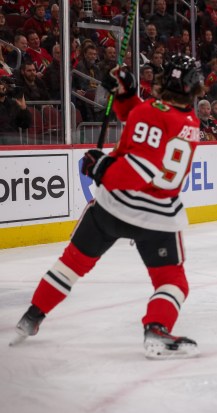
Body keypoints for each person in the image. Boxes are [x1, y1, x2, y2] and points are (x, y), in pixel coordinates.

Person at [11, 55, 205, 360]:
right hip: (157, 215)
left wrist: (101, 168)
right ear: (194, 89)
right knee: (172, 282)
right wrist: (127, 95)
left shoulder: (152, 114)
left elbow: (139, 160)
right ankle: (156, 329)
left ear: (163, 80)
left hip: (112, 206)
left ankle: (32, 317)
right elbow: (146, 123)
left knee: (71, 264)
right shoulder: (190, 120)